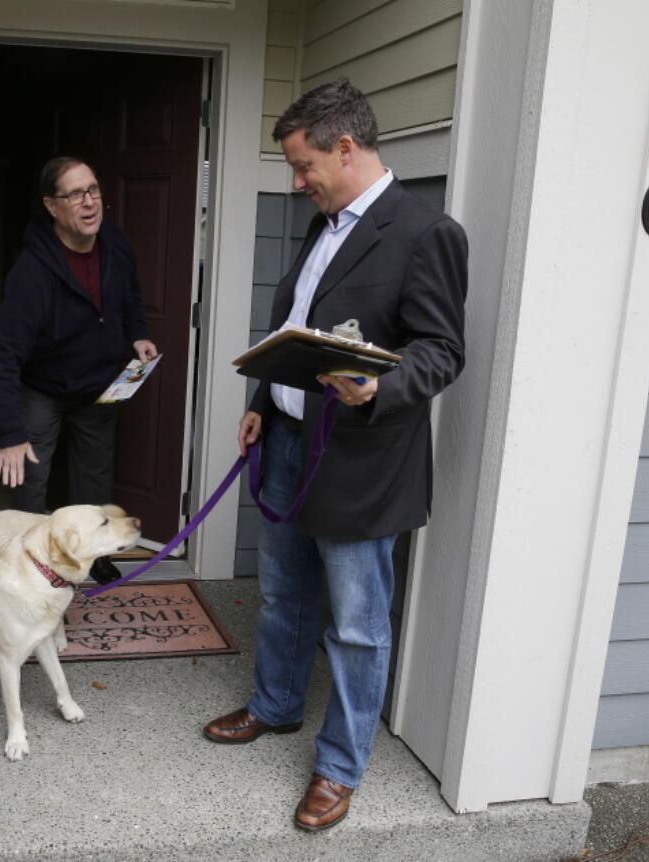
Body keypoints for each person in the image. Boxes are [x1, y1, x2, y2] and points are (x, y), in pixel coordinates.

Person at [203, 79, 467, 831]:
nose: (296, 181)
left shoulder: (424, 232)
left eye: (302, 164)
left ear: (344, 147)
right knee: (285, 595)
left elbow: (442, 352)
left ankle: (339, 769)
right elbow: (296, 329)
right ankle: (277, 707)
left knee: (356, 623)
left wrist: (374, 389)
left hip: (361, 461)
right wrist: (263, 406)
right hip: (286, 446)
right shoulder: (323, 225)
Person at [0, 156, 157, 514]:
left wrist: (137, 334)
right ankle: (31, 562)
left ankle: (92, 559)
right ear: (51, 205)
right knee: (31, 477)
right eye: (75, 195)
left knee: (94, 479)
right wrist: (11, 434)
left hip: (97, 387)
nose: (89, 201)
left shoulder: (115, 242)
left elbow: (131, 297)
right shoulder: (31, 271)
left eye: (92, 189)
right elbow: (1, 357)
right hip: (43, 388)